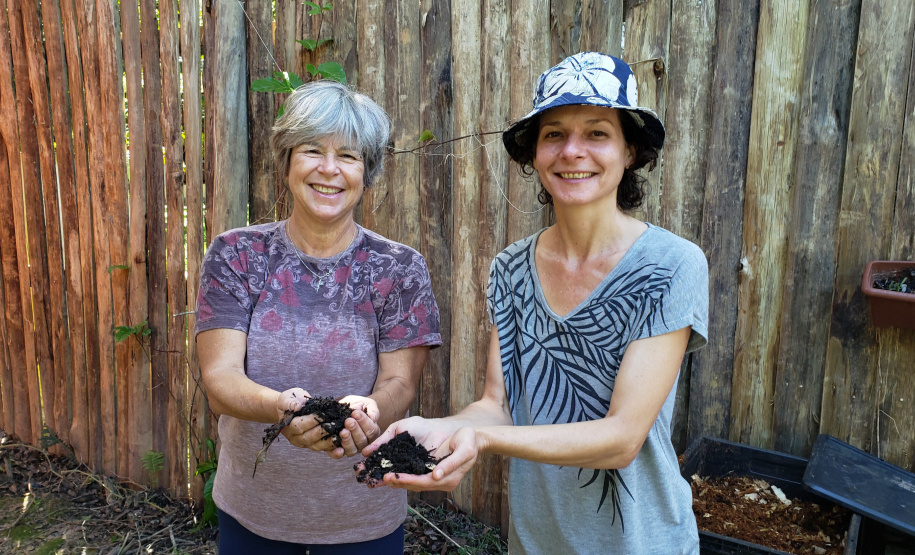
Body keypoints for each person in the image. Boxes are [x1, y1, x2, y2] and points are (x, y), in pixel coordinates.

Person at [361, 52, 709, 554]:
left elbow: (622, 437)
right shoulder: (510, 269)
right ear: (534, 154)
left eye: (596, 133)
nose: (572, 151)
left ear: (630, 151)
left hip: (642, 542)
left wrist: (483, 441)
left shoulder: (671, 265)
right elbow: (497, 407)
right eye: (553, 134)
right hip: (537, 542)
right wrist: (439, 429)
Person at [195, 80, 442, 554]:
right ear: (286, 160)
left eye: (348, 156)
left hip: (363, 515)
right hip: (253, 512)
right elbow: (219, 378)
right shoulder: (237, 254)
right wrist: (279, 409)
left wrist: (368, 412)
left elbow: (400, 384)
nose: (329, 170)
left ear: (367, 172)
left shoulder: (398, 268)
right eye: (312, 150)